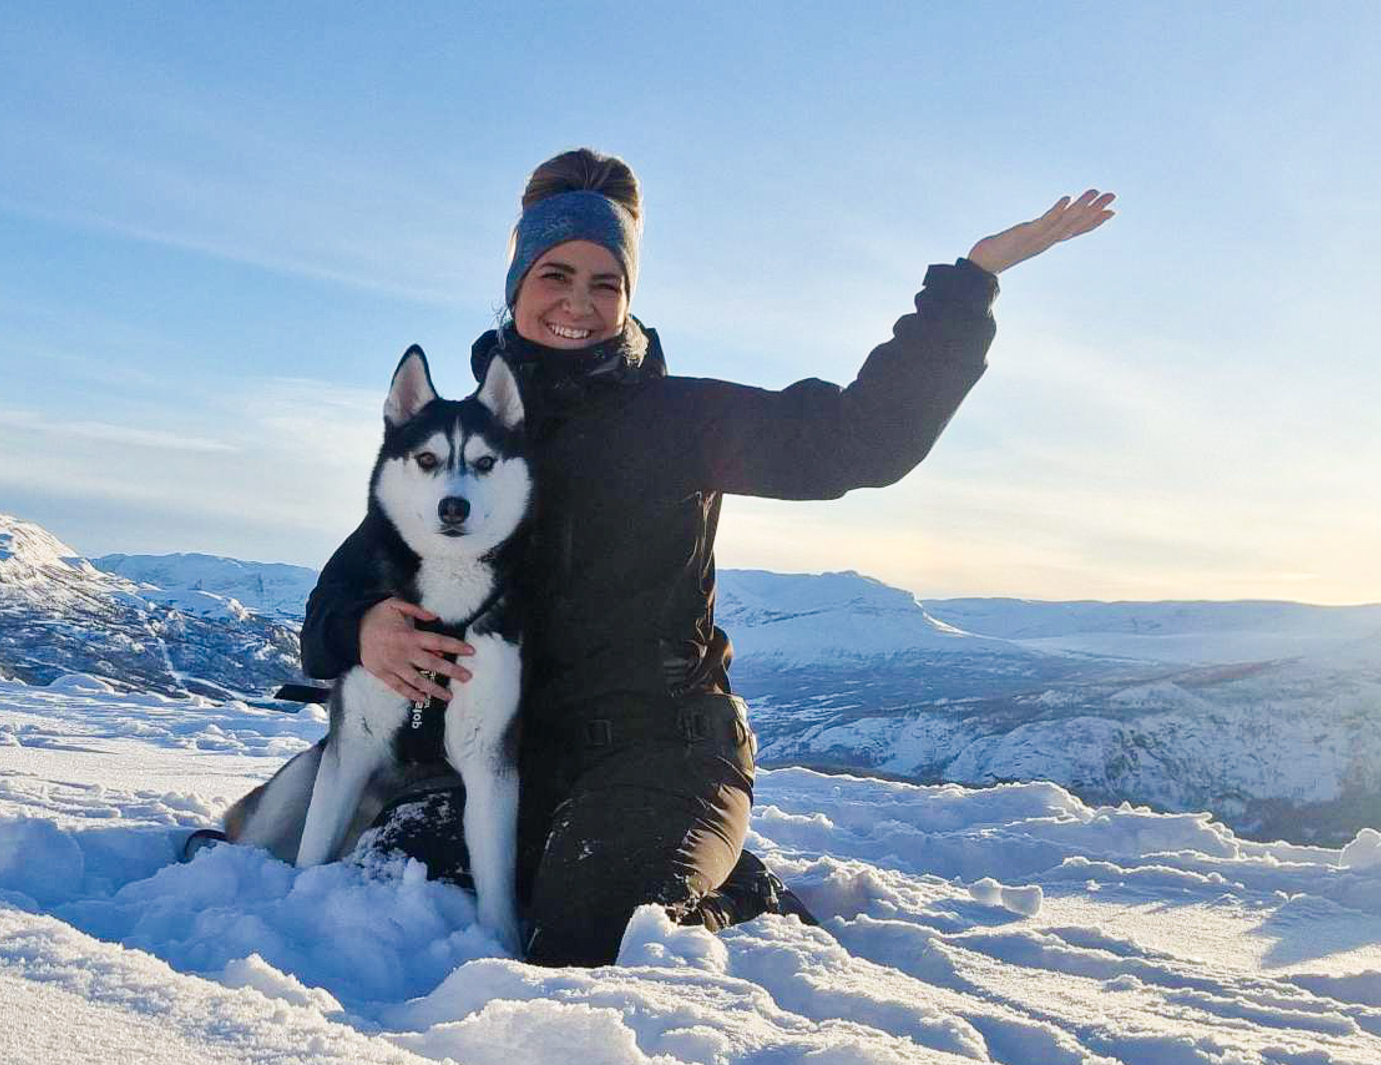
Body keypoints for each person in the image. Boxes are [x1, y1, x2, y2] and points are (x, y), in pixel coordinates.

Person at [300, 148, 1114, 966]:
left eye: (606, 282)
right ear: (516, 285)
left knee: (590, 936)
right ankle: (642, 862)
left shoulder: (678, 420)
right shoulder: (461, 445)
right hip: (524, 758)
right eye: (556, 275)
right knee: (390, 873)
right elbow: (341, 597)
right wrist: (363, 628)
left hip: (664, 751)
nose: (579, 302)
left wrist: (969, 284)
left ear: (629, 296)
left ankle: (732, 891)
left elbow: (858, 440)